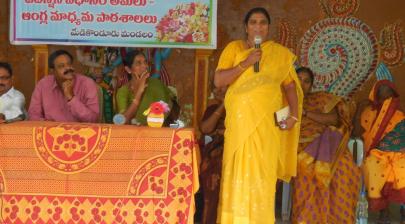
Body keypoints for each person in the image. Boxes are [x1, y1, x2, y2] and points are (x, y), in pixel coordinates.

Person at [214, 7, 303, 223]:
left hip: (267, 124)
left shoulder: (279, 54)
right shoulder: (234, 49)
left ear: (268, 27)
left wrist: (292, 115)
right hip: (239, 124)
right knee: (236, 172)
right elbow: (219, 81)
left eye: (263, 22)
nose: (258, 26)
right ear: (246, 27)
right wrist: (246, 63)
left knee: (263, 174)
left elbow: (290, 87)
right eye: (253, 22)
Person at [291, 67, 361, 223]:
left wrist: (305, 113)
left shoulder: (320, 98)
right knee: (305, 169)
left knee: (344, 166)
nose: (301, 84)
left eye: (306, 81)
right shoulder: (282, 99)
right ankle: (306, 219)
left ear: (311, 86)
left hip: (327, 142)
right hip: (299, 147)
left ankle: (338, 219)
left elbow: (334, 120)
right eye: (298, 79)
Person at [353, 79, 405, 224]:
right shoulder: (368, 112)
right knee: (372, 165)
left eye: (388, 91)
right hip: (374, 152)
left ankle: (395, 212)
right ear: (374, 93)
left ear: (393, 94)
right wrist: (358, 111)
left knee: (402, 167)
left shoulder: (399, 114)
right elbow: (356, 134)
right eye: (381, 89)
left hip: (397, 153)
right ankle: (377, 212)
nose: (385, 93)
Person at [28, 50, 100, 122]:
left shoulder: (87, 83)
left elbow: (93, 119)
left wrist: (71, 98)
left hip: (79, 131)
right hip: (52, 131)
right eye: (61, 66)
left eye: (69, 64)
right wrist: (48, 125)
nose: (67, 68)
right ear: (52, 71)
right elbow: (33, 114)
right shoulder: (43, 84)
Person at [116, 50, 176, 125]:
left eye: (145, 62)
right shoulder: (123, 91)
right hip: (131, 134)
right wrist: (139, 92)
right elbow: (123, 121)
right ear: (128, 69)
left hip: (156, 133)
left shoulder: (156, 84)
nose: (145, 66)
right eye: (138, 63)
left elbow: (161, 117)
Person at [199, 86, 226, 224]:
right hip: (214, 153)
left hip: (235, 150)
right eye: (215, 89)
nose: (219, 91)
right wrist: (223, 105)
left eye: (223, 87)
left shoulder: (241, 108)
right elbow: (205, 129)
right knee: (211, 168)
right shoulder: (212, 109)